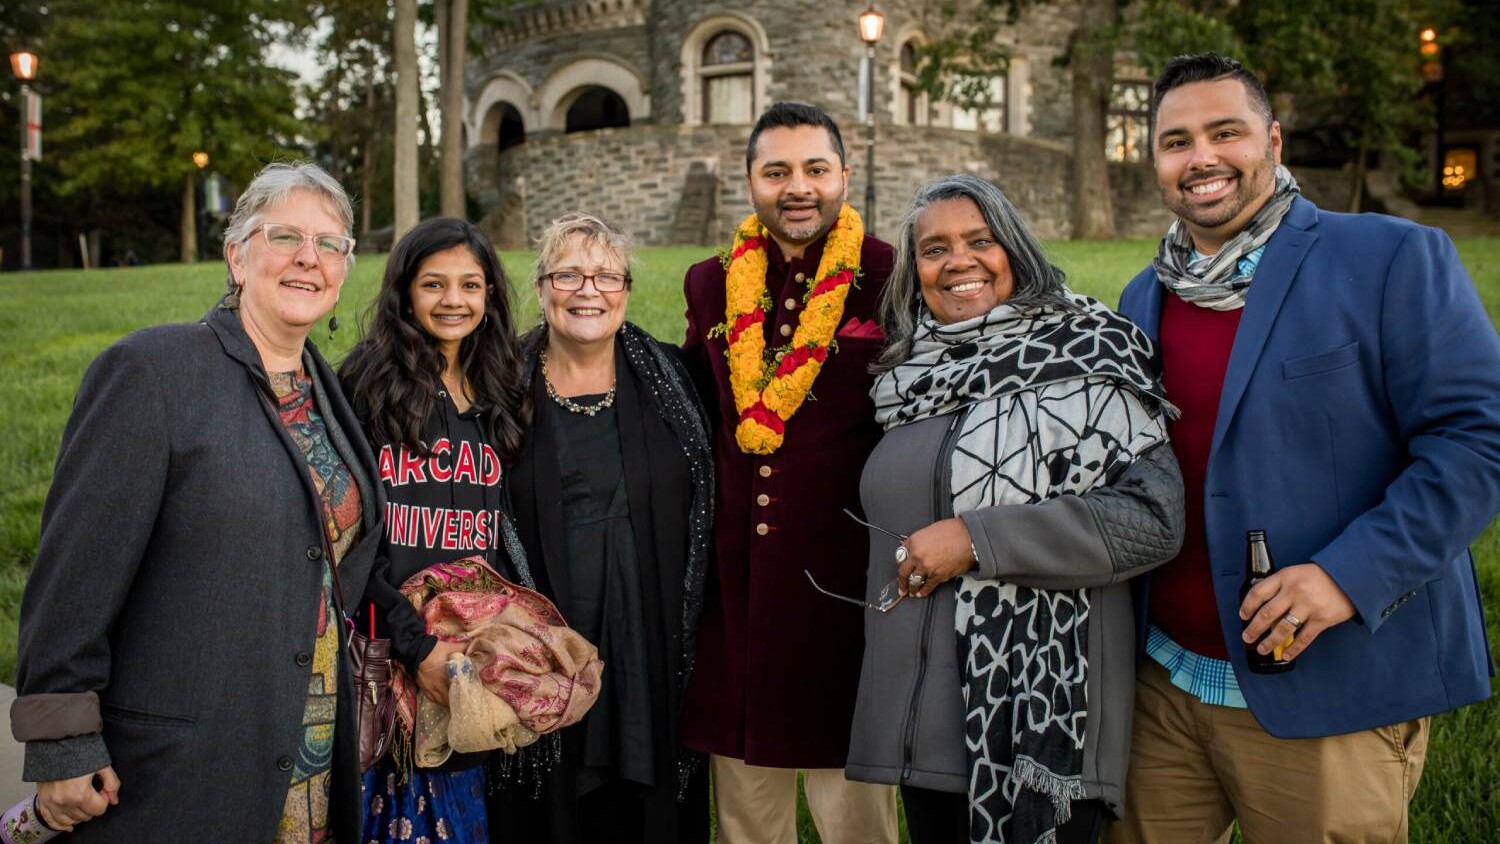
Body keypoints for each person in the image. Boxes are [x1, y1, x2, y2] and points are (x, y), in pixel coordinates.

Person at [1106, 54, 1500, 844]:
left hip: (1329, 688)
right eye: (1176, 141)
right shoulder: (1143, 297)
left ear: (1273, 142)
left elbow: (1476, 440)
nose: (1202, 158)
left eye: (1226, 132)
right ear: (1155, 161)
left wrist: (1347, 577)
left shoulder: (1390, 259)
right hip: (1164, 681)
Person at [10, 162, 382, 842]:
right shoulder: (153, 372)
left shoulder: (331, 397)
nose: (309, 258)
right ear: (237, 255)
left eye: (330, 244)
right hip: (181, 770)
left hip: (311, 757)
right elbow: (73, 577)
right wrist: (62, 746)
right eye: (286, 237)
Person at [845, 174, 1184, 844]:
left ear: (1016, 250)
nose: (958, 261)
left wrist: (978, 539)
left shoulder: (1087, 353)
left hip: (1041, 728)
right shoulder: (905, 378)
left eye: (980, 240)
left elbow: (1154, 519)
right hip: (921, 735)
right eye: (934, 249)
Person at [678, 101, 900, 844]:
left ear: (845, 175)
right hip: (737, 595)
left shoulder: (890, 275)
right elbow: (694, 413)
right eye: (777, 172)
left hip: (848, 592)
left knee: (857, 817)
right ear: (750, 182)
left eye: (815, 169)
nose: (796, 187)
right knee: (746, 821)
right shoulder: (709, 284)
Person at [485, 213, 714, 843]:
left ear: (627, 290)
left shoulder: (675, 381)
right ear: (541, 289)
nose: (589, 289)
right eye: (568, 274)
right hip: (548, 643)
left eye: (606, 275)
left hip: (650, 636)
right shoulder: (498, 388)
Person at [340, 217, 530, 843]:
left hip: (468, 655)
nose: (454, 300)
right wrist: (413, 646)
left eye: (471, 285)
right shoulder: (367, 387)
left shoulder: (501, 388)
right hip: (385, 649)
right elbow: (348, 540)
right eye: (434, 284)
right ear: (405, 293)